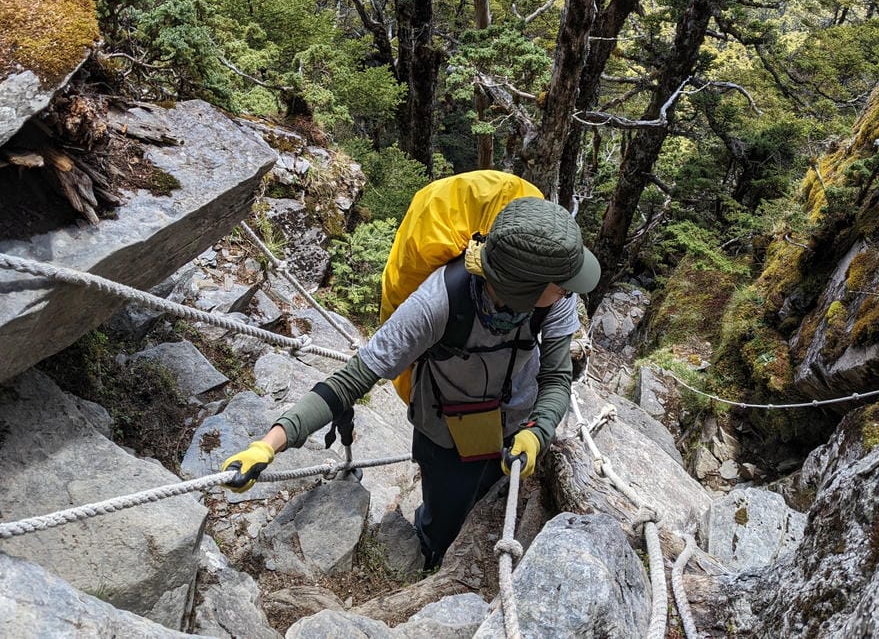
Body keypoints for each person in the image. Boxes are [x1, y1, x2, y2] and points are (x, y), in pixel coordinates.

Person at [222, 194, 601, 568]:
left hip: (516, 428)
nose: (569, 291)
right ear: (522, 287)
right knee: (445, 519)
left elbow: (555, 378)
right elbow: (351, 380)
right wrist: (268, 445)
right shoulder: (437, 304)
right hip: (446, 432)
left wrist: (538, 431)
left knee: (491, 500)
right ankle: (430, 553)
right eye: (562, 284)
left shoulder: (553, 300)